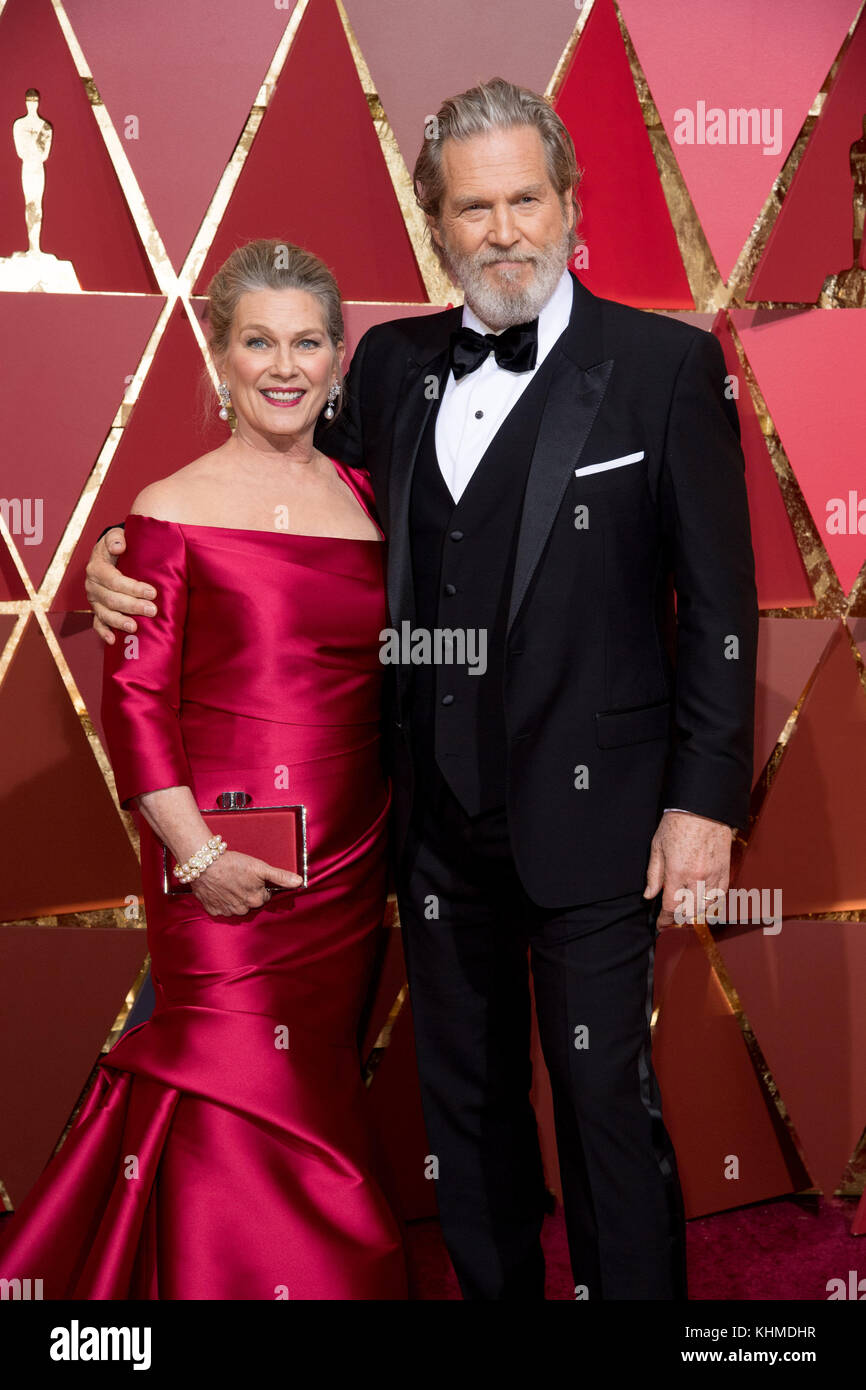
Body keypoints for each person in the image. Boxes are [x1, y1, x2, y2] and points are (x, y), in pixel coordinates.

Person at [85, 79, 758, 1301]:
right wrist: (119, 557)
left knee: (603, 1095)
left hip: (601, 815)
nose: (503, 231)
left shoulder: (665, 367)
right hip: (428, 824)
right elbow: (271, 493)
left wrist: (703, 804)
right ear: (435, 228)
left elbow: (718, 607)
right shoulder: (389, 367)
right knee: (465, 1102)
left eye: (523, 200)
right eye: (471, 209)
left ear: (567, 204)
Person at [0, 239, 408, 1300]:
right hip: (224, 861)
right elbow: (133, 704)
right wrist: (198, 853)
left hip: (352, 860)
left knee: (311, 1079)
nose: (285, 366)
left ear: (336, 357)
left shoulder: (369, 493)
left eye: (308, 341)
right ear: (218, 356)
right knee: (237, 1078)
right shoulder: (168, 510)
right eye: (258, 341)